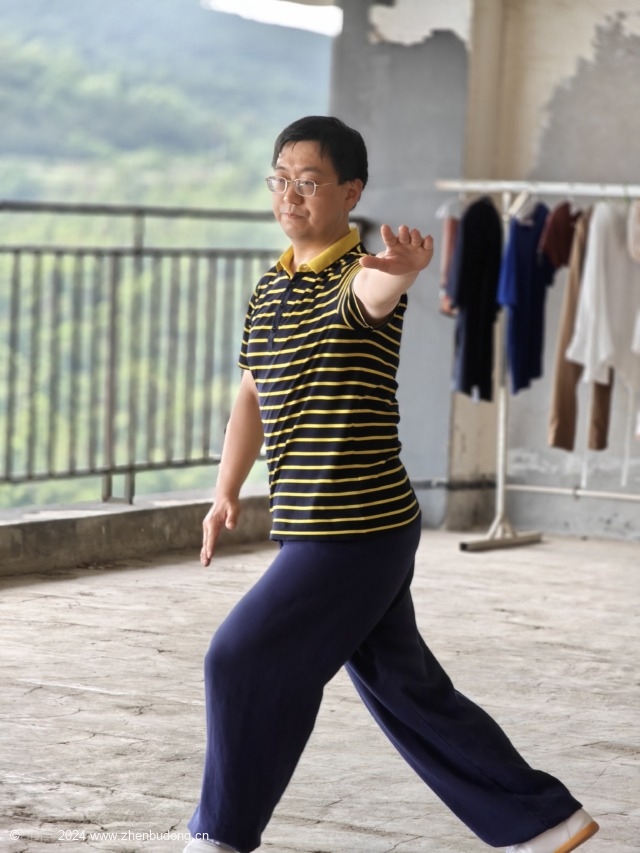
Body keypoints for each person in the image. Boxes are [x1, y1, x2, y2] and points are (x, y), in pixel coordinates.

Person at [183, 116, 599, 853]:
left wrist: (402, 267)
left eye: (309, 182)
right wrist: (226, 491)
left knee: (238, 657)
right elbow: (250, 393)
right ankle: (542, 822)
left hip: (354, 527)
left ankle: (219, 834)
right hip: (323, 521)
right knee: (407, 688)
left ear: (351, 192)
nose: (290, 195)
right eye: (281, 180)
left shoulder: (358, 275)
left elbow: (375, 295)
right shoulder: (270, 287)